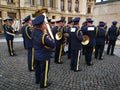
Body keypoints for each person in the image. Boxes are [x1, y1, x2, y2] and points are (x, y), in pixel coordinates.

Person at [32, 15, 55, 88]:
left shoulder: (33, 32)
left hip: (36, 54)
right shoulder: (44, 36)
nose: (45, 25)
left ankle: (37, 80)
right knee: (44, 70)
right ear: (41, 26)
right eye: (44, 24)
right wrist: (52, 40)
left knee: (37, 69)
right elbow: (52, 44)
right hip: (44, 55)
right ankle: (43, 84)